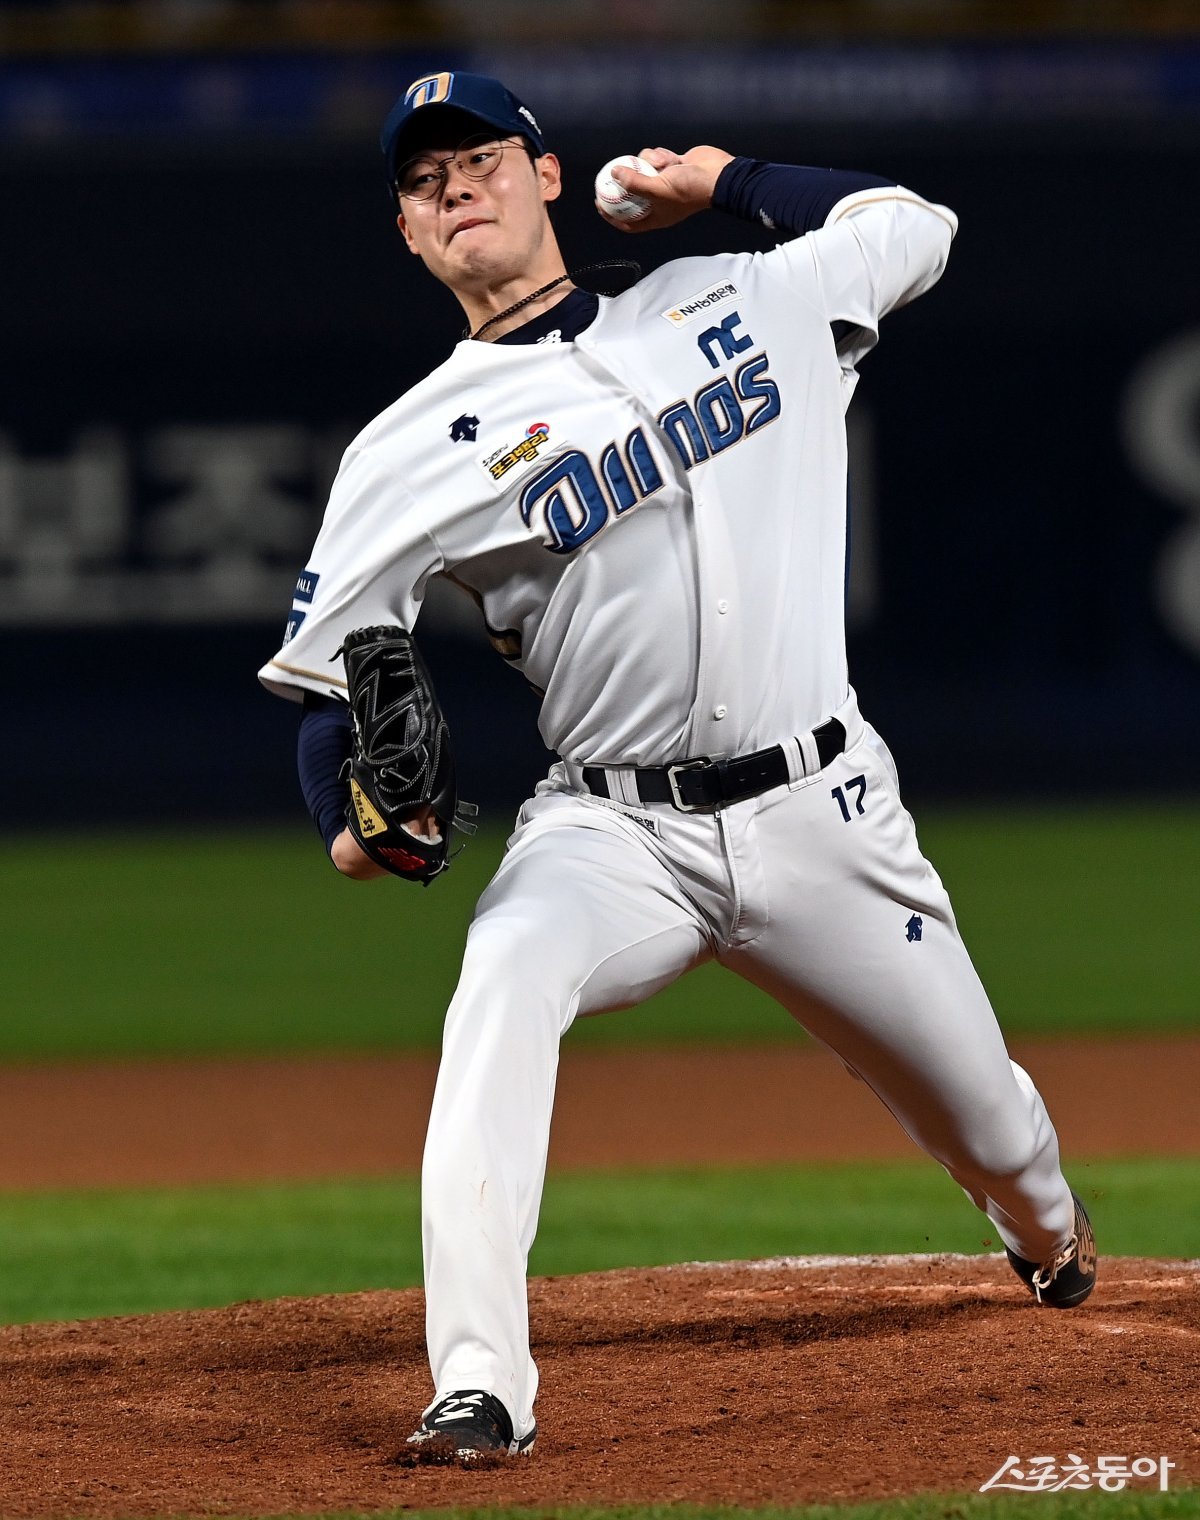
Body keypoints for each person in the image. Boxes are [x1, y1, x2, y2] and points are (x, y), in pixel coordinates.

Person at [259, 70, 1096, 1461]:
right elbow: (319, 685)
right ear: (407, 232)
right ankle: (480, 1383)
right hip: (612, 832)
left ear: (546, 174)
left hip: (825, 811)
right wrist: (346, 825)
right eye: (422, 182)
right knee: (501, 980)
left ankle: (1045, 1233)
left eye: (480, 159)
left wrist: (723, 182)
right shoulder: (403, 450)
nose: (455, 189)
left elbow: (917, 225)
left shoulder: (739, 294)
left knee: (998, 1130)